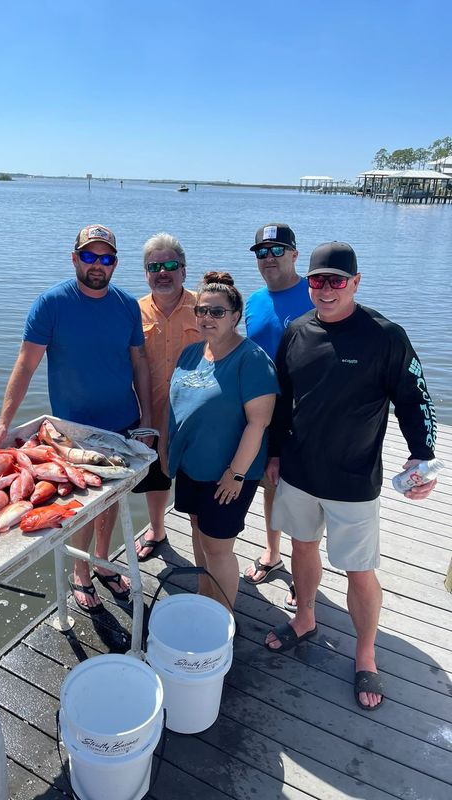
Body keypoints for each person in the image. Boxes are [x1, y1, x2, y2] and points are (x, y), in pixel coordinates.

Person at [264, 241, 438, 711]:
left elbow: (416, 400)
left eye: (336, 281)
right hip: (300, 471)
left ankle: (366, 652)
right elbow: (282, 400)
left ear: (355, 283)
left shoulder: (386, 336)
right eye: (317, 281)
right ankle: (304, 617)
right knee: (302, 547)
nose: (325, 290)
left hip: (355, 479)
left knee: (360, 570)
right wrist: (275, 454)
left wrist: (420, 458)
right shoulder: (296, 331)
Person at [0, 224, 152, 613]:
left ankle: (103, 561)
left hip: (122, 423)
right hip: (72, 431)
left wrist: (146, 419)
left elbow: (139, 363)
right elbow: (26, 364)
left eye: (106, 258)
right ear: (74, 257)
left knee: (110, 502)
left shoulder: (126, 306)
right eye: (89, 256)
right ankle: (81, 571)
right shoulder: (51, 304)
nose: (98, 265)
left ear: (114, 264)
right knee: (80, 502)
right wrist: (3, 422)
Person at [167, 272, 278, 610]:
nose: (207, 318)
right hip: (191, 467)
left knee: (219, 548)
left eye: (217, 312)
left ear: (235, 317)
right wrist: (164, 452)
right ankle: (205, 597)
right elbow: (173, 406)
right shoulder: (189, 354)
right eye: (201, 311)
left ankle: (224, 616)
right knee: (199, 535)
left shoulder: (252, 359)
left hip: (228, 475)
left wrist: (236, 474)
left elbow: (258, 423)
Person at [243, 223, 314, 592]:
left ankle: (306, 579)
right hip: (262, 411)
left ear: (295, 255)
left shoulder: (316, 294)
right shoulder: (253, 301)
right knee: (270, 484)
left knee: (302, 494)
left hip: (305, 413)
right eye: (261, 252)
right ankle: (272, 554)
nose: (268, 258)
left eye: (277, 250)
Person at [133, 233, 201, 561]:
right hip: (151, 413)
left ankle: (202, 541)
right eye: (154, 266)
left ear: (184, 271)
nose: (163, 272)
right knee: (155, 478)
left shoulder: (206, 308)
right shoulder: (133, 312)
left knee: (197, 482)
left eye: (170, 264)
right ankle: (157, 530)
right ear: (145, 273)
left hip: (197, 419)